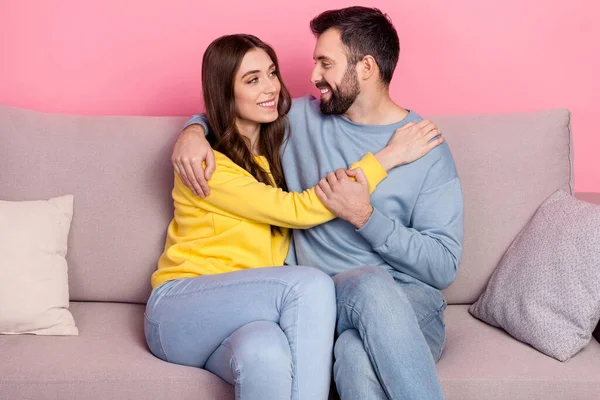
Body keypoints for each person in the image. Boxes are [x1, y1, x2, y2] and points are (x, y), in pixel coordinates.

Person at [146, 33, 445, 400]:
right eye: (252, 79)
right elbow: (296, 210)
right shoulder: (210, 165)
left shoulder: (275, 145)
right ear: (225, 92)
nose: (271, 86)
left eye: (272, 73)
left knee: (266, 353)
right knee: (310, 284)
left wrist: (194, 125)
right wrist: (388, 157)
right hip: (183, 308)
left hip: (247, 318)